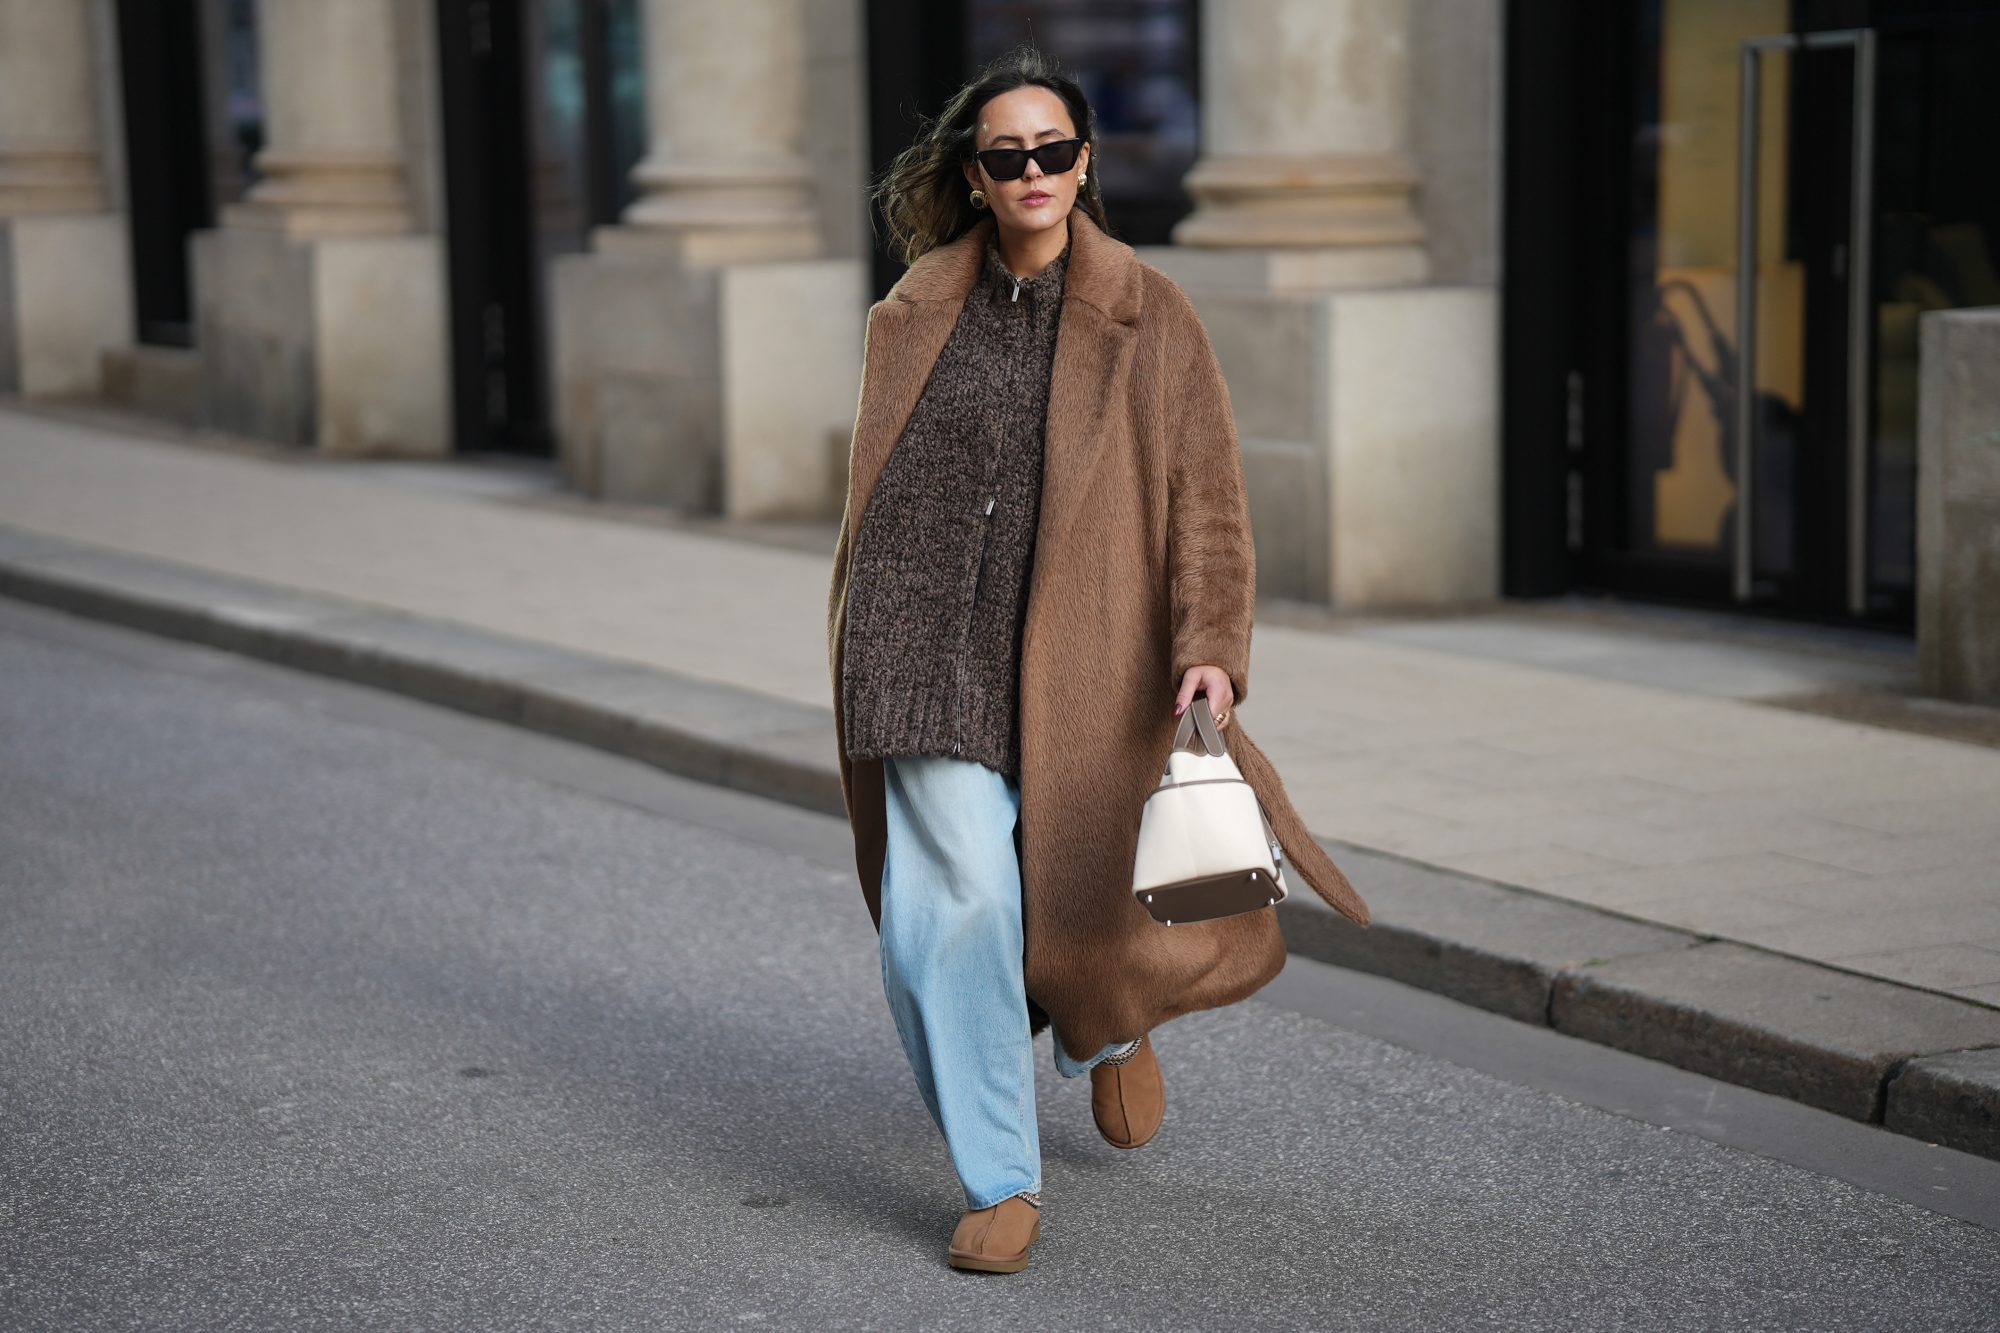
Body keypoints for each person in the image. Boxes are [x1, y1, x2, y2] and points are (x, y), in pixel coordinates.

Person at [825, 46, 1372, 1275]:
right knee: (950, 903)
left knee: (1078, 894)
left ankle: (1102, 1027)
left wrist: (1212, 650)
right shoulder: (908, 310)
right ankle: (1001, 1176)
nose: (1031, 172)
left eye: (1053, 151)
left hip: (1086, 649)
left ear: (1083, 165)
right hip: (920, 643)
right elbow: (881, 489)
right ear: (974, 175)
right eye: (1005, 155)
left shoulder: (1149, 311)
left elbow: (1208, 503)